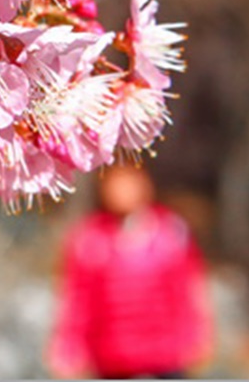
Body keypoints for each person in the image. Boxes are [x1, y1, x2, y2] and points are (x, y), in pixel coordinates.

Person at [47, 162, 213, 379]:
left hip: (164, 353)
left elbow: (188, 288)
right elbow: (77, 299)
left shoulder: (171, 232)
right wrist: (68, 345)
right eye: (115, 184)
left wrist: (197, 335)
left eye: (129, 182)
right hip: (112, 356)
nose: (122, 191)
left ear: (146, 184)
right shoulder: (90, 238)